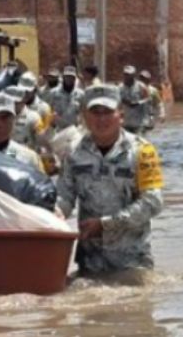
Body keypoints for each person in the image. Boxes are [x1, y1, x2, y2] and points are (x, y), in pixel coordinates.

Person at [55, 84, 165, 278]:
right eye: (95, 112)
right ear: (84, 116)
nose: (101, 119)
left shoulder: (142, 151)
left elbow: (153, 203)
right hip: (90, 262)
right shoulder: (73, 153)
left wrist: (106, 225)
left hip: (133, 262)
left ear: (121, 114)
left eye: (108, 112)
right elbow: (65, 197)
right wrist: (55, 215)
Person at [45, 64, 83, 131]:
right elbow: (47, 110)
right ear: (63, 78)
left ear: (75, 79)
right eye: (67, 77)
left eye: (71, 77)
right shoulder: (53, 93)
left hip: (75, 130)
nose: (69, 79)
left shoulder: (80, 94)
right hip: (57, 130)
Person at [118, 65, 151, 134]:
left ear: (133, 75)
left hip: (139, 123)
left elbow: (148, 99)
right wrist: (124, 102)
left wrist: (138, 103)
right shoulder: (120, 87)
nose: (126, 77)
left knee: (138, 139)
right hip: (126, 123)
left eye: (128, 75)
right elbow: (117, 102)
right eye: (125, 74)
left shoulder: (141, 86)